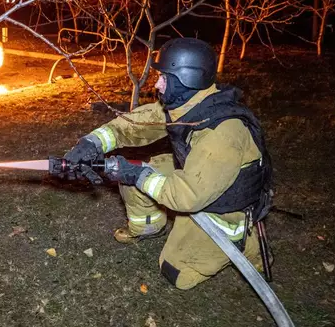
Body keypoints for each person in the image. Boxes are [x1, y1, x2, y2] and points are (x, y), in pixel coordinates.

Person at [62, 37, 274, 290]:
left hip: (222, 206)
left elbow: (186, 197)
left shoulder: (222, 134)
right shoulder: (190, 103)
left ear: (187, 79)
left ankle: (242, 239)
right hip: (198, 180)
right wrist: (93, 142)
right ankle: (149, 227)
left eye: (164, 77)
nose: (157, 84)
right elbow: (140, 122)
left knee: (176, 272)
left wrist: (136, 174)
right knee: (135, 170)